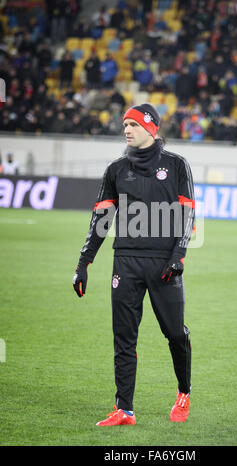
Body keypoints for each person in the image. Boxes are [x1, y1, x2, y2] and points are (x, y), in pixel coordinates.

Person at [73, 103, 195, 426]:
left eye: (134, 124)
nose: (126, 129)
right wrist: (84, 262)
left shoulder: (177, 165)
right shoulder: (115, 170)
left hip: (164, 265)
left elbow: (187, 215)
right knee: (124, 337)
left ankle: (184, 391)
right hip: (125, 262)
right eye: (125, 124)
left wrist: (178, 255)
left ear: (151, 128)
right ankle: (125, 409)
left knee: (175, 334)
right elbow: (100, 219)